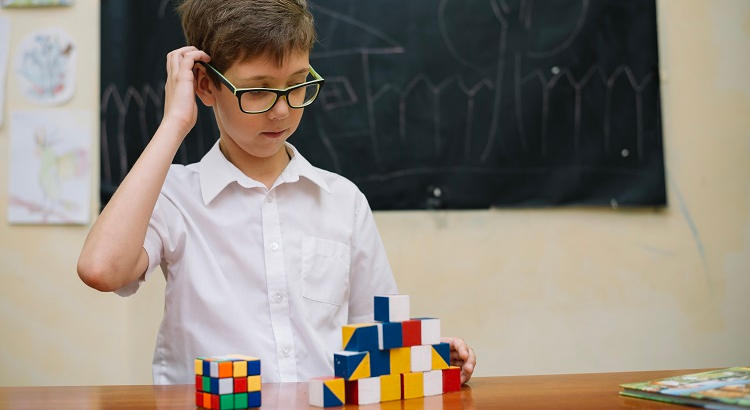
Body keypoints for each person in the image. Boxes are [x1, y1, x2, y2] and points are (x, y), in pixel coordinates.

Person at [77, 0, 476, 385]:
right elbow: (101, 270)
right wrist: (174, 123)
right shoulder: (175, 195)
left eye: (298, 84)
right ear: (205, 85)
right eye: (257, 90)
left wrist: (431, 359)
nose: (282, 110)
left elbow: (377, 335)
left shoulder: (341, 200)